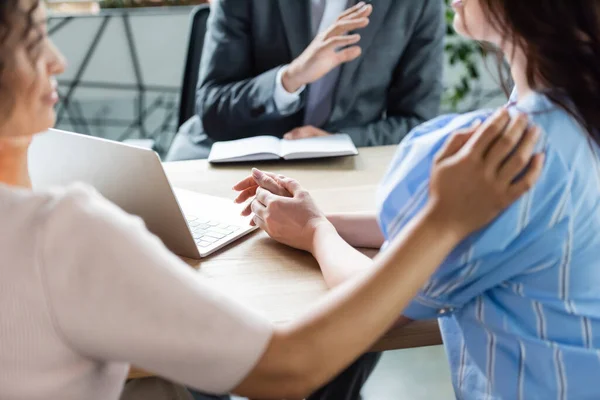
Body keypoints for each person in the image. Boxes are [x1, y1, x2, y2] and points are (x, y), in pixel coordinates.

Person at [0, 1, 542, 400]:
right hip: (236, 179)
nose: (58, 61)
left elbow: (415, 113)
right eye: (32, 40)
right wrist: (443, 221)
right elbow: (288, 365)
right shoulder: (64, 232)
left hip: (327, 190)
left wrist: (323, 223)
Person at [235, 0, 600, 398]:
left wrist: (315, 231)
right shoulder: (574, 112)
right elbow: (444, 224)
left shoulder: (511, 151)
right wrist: (326, 218)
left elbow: (377, 304)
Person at [166, 0, 445, 161]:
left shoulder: (418, 4)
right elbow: (213, 105)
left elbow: (417, 122)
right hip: (230, 157)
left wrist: (340, 141)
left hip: (343, 168)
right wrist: (290, 78)